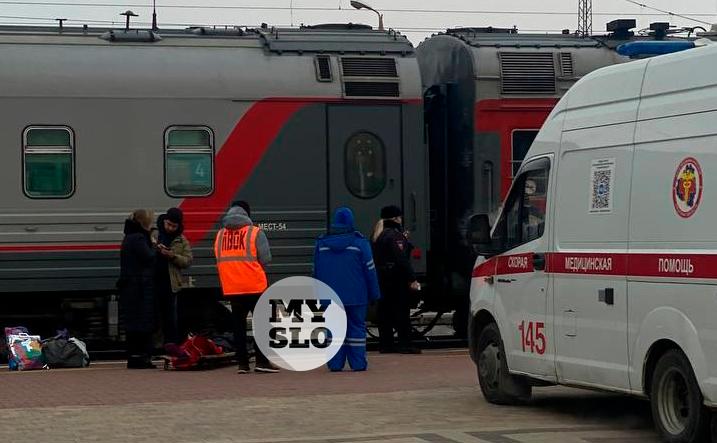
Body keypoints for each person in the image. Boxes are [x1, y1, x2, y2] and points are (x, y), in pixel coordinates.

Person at [214, 202, 278, 374]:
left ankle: (242, 364)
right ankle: (262, 362)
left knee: (238, 327)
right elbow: (266, 259)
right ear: (247, 214)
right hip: (255, 286)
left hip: (232, 288)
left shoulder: (220, 235)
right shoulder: (254, 232)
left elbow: (219, 258)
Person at [314, 207, 381, 372]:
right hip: (356, 297)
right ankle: (358, 364)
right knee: (356, 328)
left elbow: (316, 272)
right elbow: (370, 272)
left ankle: (335, 364)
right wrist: (375, 294)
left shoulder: (321, 244)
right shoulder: (360, 244)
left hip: (330, 297)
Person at [373, 205, 422, 354]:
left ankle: (386, 344)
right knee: (401, 312)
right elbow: (401, 259)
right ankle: (405, 344)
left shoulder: (378, 234)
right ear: (395, 218)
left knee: (385, 312)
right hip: (396, 279)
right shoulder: (395, 236)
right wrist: (412, 278)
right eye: (399, 217)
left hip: (382, 278)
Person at [118, 209, 157, 369]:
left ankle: (134, 356)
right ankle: (142, 358)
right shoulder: (139, 238)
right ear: (144, 222)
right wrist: (154, 245)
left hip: (130, 286)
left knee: (132, 323)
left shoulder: (128, 237)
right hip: (139, 286)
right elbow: (148, 257)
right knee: (143, 322)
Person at [154, 207, 193, 345]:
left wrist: (172, 256)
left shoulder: (181, 240)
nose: (170, 228)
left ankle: (170, 345)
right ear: (164, 221)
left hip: (171, 285)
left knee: (170, 318)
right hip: (153, 282)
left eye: (174, 226)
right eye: (168, 224)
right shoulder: (155, 234)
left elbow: (188, 260)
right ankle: (156, 345)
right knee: (155, 318)